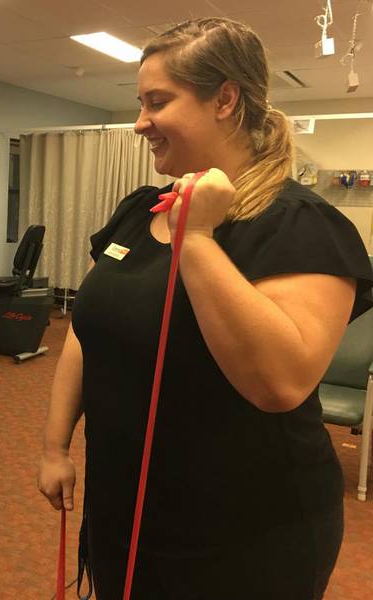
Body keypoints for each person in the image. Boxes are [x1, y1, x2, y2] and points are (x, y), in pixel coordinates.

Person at [37, 17, 373, 600]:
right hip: (128, 503)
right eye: (139, 103)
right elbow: (86, 333)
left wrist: (196, 239)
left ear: (225, 99)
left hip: (246, 533)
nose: (140, 123)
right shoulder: (140, 210)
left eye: (158, 102)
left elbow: (280, 383)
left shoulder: (303, 226)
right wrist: (55, 446)